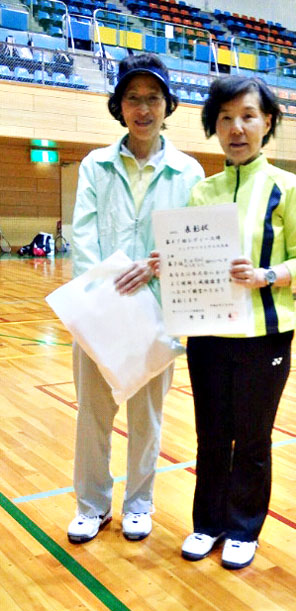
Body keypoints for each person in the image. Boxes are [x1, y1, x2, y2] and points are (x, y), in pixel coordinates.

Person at [180, 75, 296, 569]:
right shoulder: (202, 192)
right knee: (211, 436)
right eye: (225, 118)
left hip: (266, 336)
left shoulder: (288, 187)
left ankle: (243, 528)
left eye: (247, 116)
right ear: (214, 126)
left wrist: (267, 276)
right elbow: (193, 257)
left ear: (268, 122)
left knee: (253, 438)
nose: (236, 128)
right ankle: (207, 523)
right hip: (208, 337)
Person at [68, 53, 204, 544]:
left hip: (158, 314)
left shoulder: (189, 173)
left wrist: (157, 267)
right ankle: (91, 505)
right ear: (119, 106)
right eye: (132, 98)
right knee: (93, 415)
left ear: (168, 105)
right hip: (99, 310)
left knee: (147, 417)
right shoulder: (95, 165)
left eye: (153, 98)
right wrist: (107, 295)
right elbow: (83, 237)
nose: (143, 108)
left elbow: (188, 244)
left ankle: (139, 504)